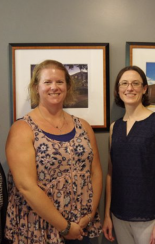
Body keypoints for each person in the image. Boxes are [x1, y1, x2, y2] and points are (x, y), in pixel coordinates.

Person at [5, 60, 103, 243]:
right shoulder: (22, 129)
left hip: (81, 225)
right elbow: (26, 187)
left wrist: (88, 216)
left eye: (59, 82)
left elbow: (95, 172)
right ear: (36, 87)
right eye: (47, 82)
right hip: (39, 228)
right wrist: (64, 227)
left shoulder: (83, 126)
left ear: (67, 86)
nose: (54, 87)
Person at [102, 66, 155, 244]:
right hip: (119, 216)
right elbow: (111, 174)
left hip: (150, 218)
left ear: (144, 89)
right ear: (118, 90)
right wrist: (107, 215)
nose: (129, 88)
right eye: (124, 83)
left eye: (135, 83)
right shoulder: (114, 128)